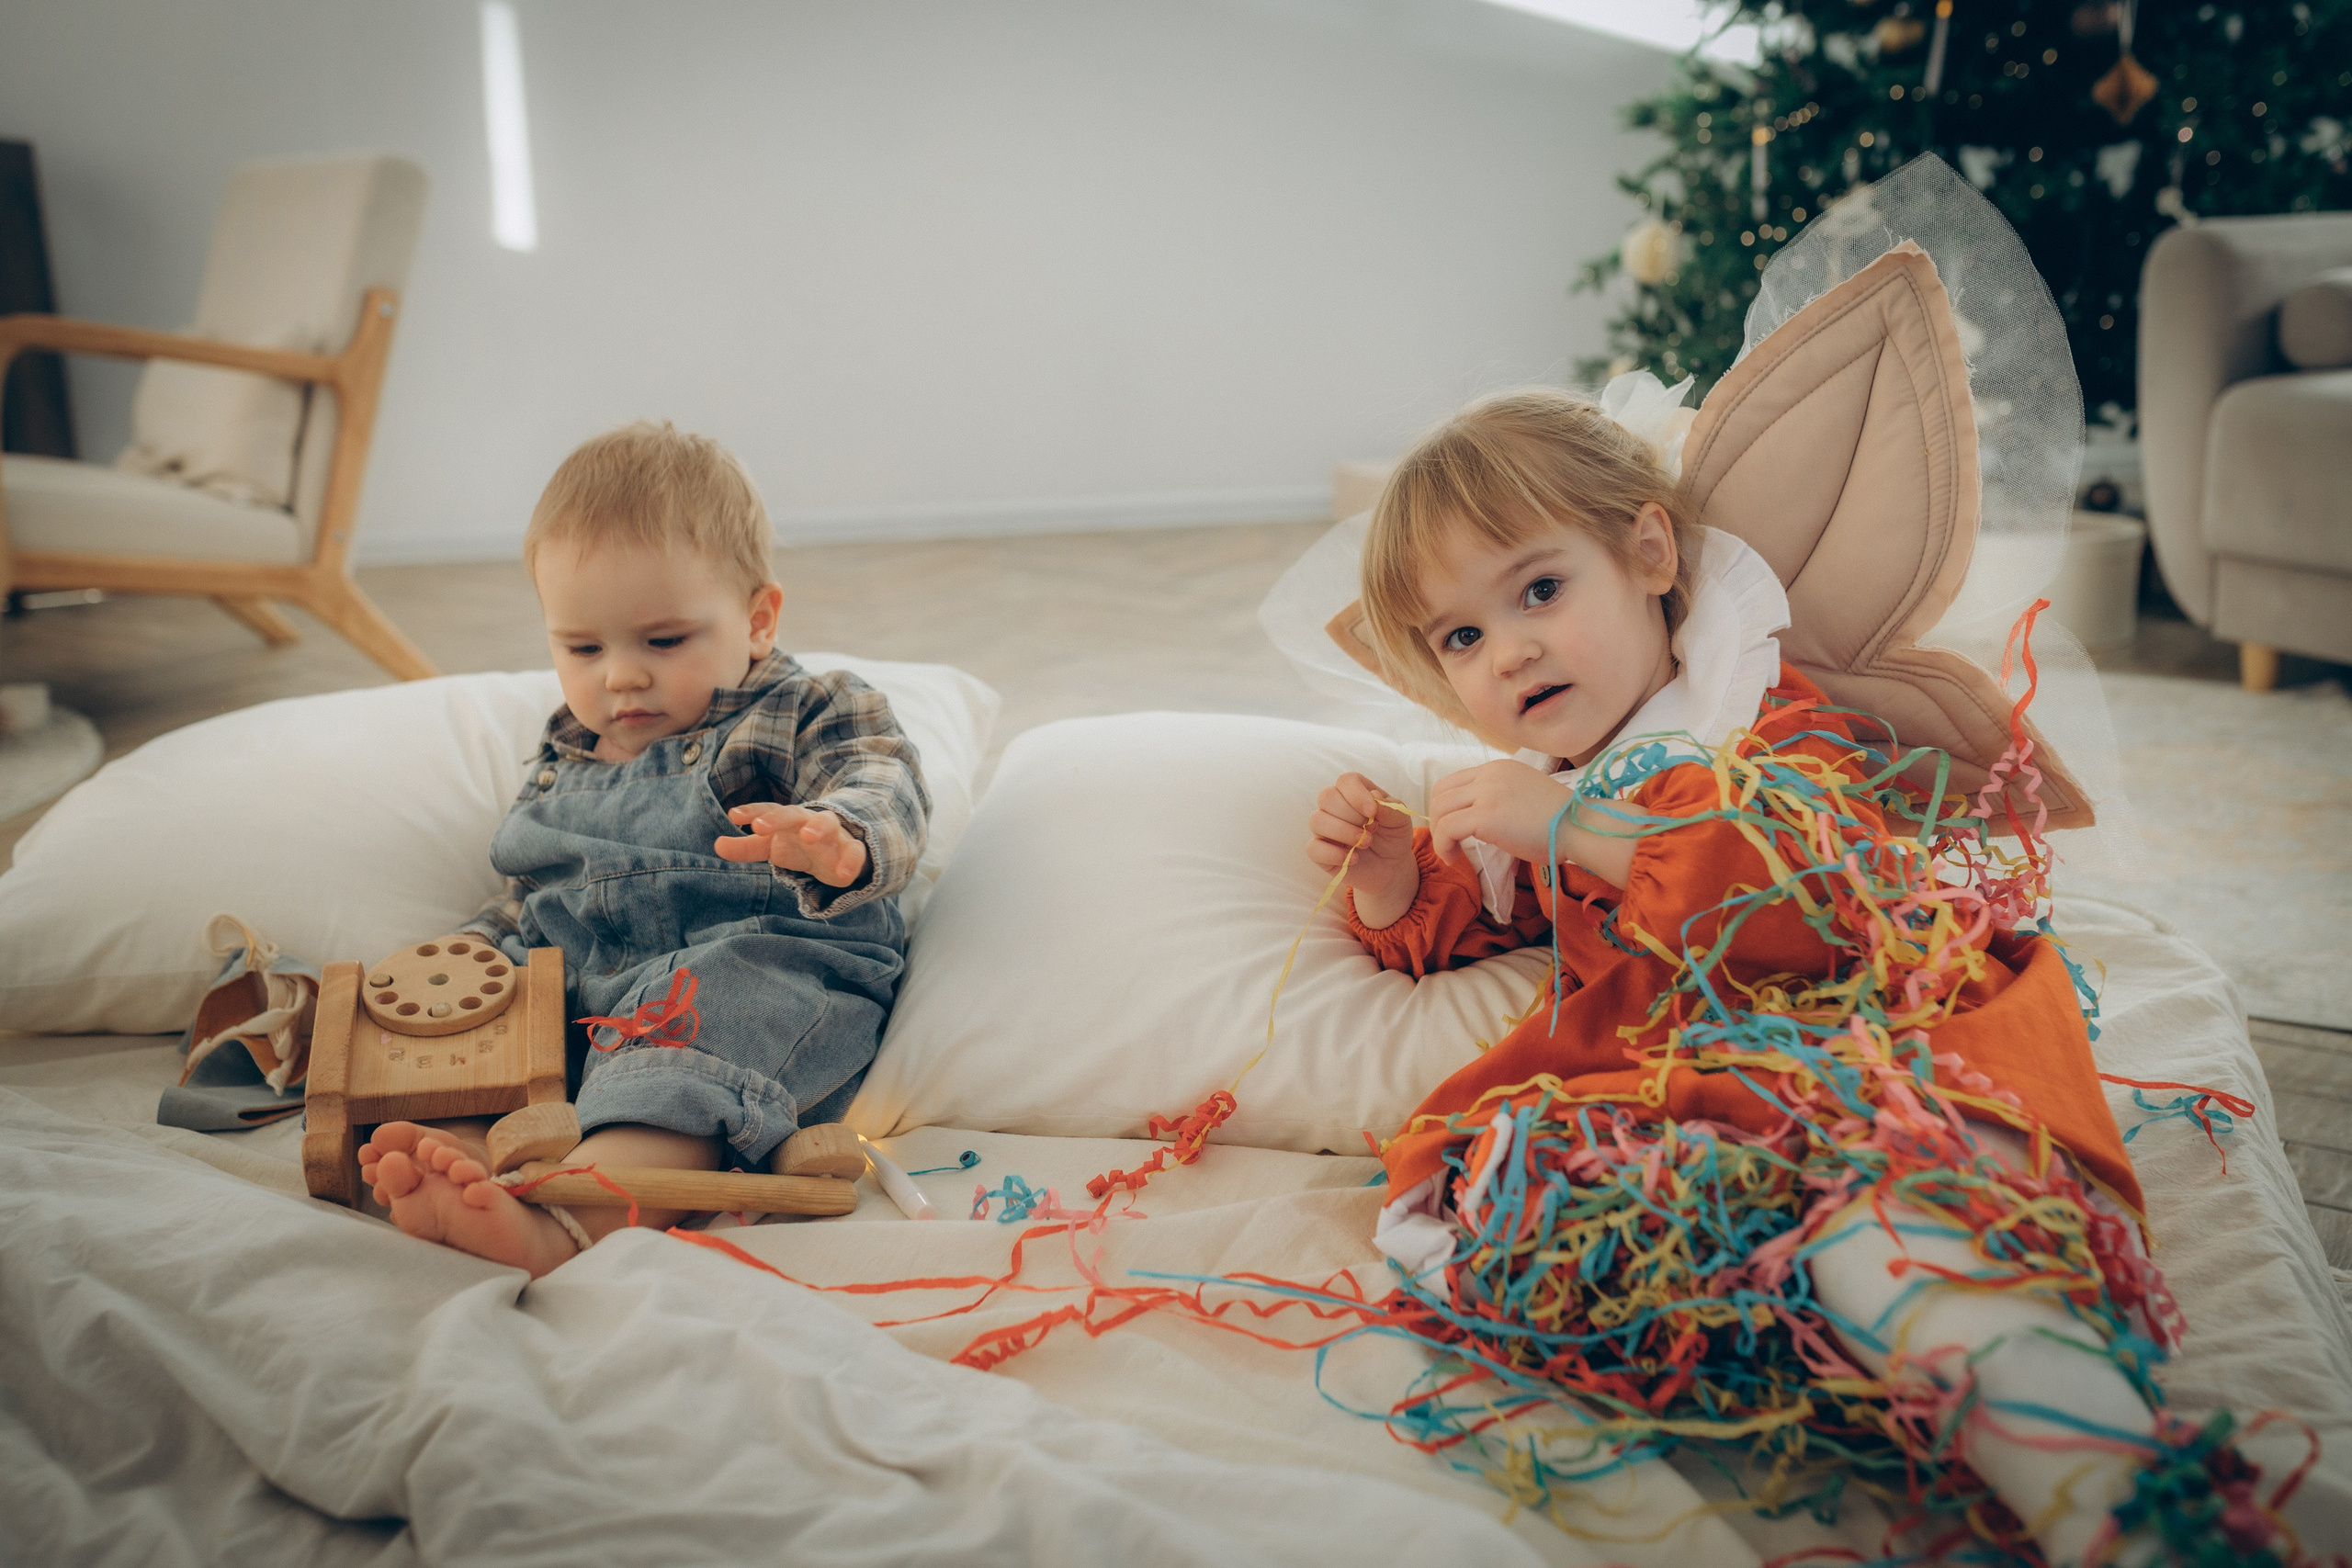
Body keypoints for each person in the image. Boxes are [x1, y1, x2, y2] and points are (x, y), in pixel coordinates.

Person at [1302, 389, 2205, 1566]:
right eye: (1461, 638)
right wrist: (1383, 877)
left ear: (1647, 552)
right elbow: (1448, 923)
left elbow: (1813, 894)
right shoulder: (1523, 789)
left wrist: (1579, 829)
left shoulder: (1757, 720)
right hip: (1693, 1091)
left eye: (1538, 590)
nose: (1510, 649)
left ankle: (2124, 1506)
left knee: (1890, 1231)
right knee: (1547, 1213)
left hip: (1859, 1043)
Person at [361, 422, 927, 1279]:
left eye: (663, 642)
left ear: (757, 619)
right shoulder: (564, 753)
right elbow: (530, 891)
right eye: (583, 648)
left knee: (701, 1040)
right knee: (489, 1017)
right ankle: (469, 1149)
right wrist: (467, 963)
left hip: (746, 955)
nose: (620, 675)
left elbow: (881, 780)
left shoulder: (807, 707)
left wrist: (839, 838)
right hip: (582, 968)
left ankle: (573, 1218)